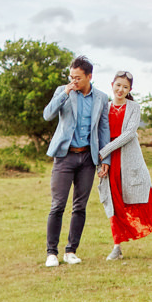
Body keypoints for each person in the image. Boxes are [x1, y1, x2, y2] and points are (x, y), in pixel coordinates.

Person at [97, 70, 152, 260]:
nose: (120, 89)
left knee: (147, 200)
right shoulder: (104, 107)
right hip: (110, 163)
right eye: (118, 85)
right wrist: (103, 160)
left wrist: (104, 151)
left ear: (130, 90)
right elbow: (100, 134)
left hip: (130, 162)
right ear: (112, 84)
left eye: (125, 87)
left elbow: (128, 134)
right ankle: (117, 247)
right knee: (114, 204)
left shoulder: (134, 107)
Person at [42, 55, 111, 267]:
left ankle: (71, 251)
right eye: (71, 76)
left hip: (88, 159)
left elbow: (103, 129)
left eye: (78, 78)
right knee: (58, 205)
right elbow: (47, 115)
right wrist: (65, 92)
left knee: (80, 207)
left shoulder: (101, 98)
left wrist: (104, 158)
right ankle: (51, 253)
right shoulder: (63, 91)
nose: (74, 81)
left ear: (89, 76)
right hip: (65, 156)